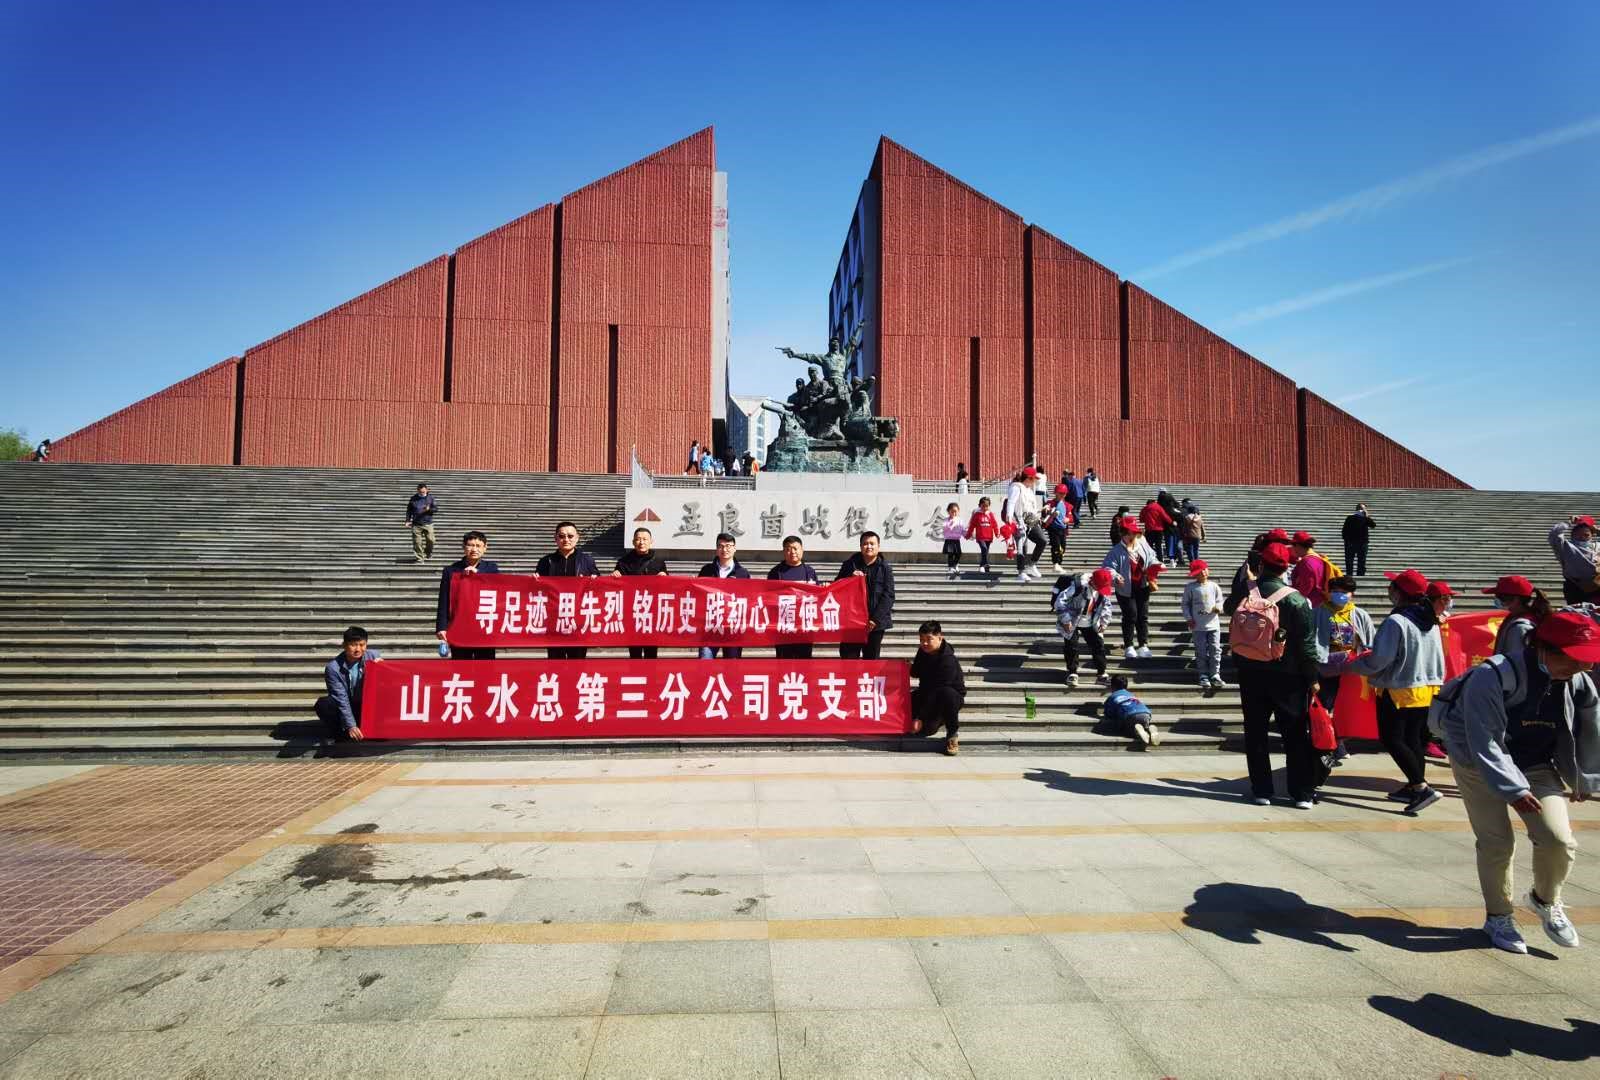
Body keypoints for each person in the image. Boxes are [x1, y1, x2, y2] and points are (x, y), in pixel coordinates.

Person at [1435, 610, 1600, 953]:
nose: (1583, 666)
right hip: (1476, 762)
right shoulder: (1491, 675)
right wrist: (1514, 789)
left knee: (1558, 840)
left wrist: (1584, 777)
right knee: (1496, 843)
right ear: (1543, 647)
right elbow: (1484, 739)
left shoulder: (1577, 680)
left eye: (1586, 660)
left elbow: (1591, 729)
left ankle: (1544, 900)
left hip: (1536, 763)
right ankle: (1498, 916)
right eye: (1574, 658)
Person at [1330, 568, 1446, 814]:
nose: (1389, 590)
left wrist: (1352, 666)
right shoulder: (1430, 618)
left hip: (1398, 688)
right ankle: (1413, 786)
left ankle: (1421, 787)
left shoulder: (1397, 621)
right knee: (1413, 739)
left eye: (1392, 586)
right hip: (1424, 687)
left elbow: (1379, 660)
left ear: (1399, 592)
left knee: (1392, 739)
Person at [1230, 541, 1321, 808]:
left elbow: (1227, 608)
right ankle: (1301, 793)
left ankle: (1261, 790)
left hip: (1250, 672)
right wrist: (1313, 678)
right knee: (1295, 734)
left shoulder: (1246, 591)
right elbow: (1306, 645)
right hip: (1288, 676)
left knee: (1255, 732)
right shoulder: (1296, 599)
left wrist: (1246, 582)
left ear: (1261, 565)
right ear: (1286, 567)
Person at [1314, 575, 1377, 766]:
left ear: (1352, 594)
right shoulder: (1317, 613)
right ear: (1329, 593)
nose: (1339, 595)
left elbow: (1370, 641)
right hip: (1326, 669)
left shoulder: (1360, 614)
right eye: (1335, 592)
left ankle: (1339, 742)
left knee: (1346, 710)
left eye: (1344, 592)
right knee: (1326, 708)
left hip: (1352, 671)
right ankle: (1328, 745)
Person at [536, 521, 600, 659]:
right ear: (555, 538)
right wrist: (534, 581)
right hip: (554, 621)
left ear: (577, 538)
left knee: (577, 662)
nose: (566, 539)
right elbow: (537, 590)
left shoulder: (587, 561)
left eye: (570, 536)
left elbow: (599, 587)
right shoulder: (546, 561)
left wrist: (594, 580)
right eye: (562, 536)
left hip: (578, 621)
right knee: (555, 662)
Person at [1103, 515, 1161, 659]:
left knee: (1143, 616)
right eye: (1128, 533)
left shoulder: (1143, 545)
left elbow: (1153, 557)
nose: (1132, 536)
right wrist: (1116, 576)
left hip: (1143, 586)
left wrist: (1155, 566)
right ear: (1122, 534)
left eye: (1134, 533)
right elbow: (1108, 568)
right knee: (1130, 615)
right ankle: (1129, 645)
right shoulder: (1116, 551)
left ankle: (1143, 645)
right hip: (1125, 589)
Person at [436, 531, 500, 660]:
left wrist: (478, 574)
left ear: (485, 548)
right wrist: (441, 627)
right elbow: (444, 600)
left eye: (478, 546)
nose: (474, 549)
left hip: (484, 627)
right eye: (470, 545)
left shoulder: (492, 569)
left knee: (486, 666)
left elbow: (500, 589)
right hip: (460, 626)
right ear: (464, 547)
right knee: (460, 665)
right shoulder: (451, 571)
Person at [1054, 567, 1116, 689]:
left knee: (1098, 645)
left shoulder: (1102, 589)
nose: (1101, 590)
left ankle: (1102, 674)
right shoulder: (1078, 586)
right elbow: (1060, 602)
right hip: (1072, 620)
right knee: (1071, 646)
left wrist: (1104, 622)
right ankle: (1072, 673)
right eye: (1099, 587)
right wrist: (1066, 620)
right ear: (1093, 582)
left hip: (1091, 621)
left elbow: (1107, 606)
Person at [315, 625, 380, 742]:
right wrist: (351, 725)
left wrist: (382, 669)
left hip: (366, 705)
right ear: (344, 645)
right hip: (348, 704)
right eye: (353, 645)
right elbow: (341, 698)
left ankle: (375, 729)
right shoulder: (333, 668)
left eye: (362, 645)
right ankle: (341, 734)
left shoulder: (373, 657)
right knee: (324, 704)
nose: (358, 649)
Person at [911, 620, 966, 756]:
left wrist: (920, 717)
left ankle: (952, 735)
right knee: (907, 699)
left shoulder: (948, 660)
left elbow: (937, 689)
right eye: (921, 640)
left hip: (948, 698)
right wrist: (906, 668)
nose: (924, 643)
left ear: (940, 637)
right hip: (926, 692)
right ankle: (929, 723)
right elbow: (915, 672)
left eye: (928, 639)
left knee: (946, 693)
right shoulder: (923, 651)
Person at [837, 531, 895, 660]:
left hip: (875, 624)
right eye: (865, 544)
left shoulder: (885, 568)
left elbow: (889, 595)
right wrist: (849, 578)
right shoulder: (849, 565)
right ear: (860, 546)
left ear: (878, 546)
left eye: (872, 544)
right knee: (848, 659)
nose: (868, 546)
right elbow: (837, 586)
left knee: (871, 660)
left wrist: (875, 619)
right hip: (852, 622)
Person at [614, 526, 669, 659]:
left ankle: (651, 672)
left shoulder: (658, 561)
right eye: (638, 539)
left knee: (651, 652)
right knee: (635, 652)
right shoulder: (623, 562)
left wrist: (665, 576)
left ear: (651, 542)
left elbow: (666, 587)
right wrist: (615, 575)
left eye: (645, 539)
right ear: (633, 542)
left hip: (652, 613)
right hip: (632, 613)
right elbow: (617, 587)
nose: (641, 542)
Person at [696, 532, 750, 659]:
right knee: (705, 660)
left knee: (732, 664)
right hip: (710, 625)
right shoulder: (706, 570)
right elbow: (698, 594)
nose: (724, 549)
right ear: (716, 549)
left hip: (732, 626)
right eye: (721, 546)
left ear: (734, 548)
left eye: (728, 546)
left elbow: (748, 599)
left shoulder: (742, 573)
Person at [769, 535, 820, 659]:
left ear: (802, 550)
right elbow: (769, 597)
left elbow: (817, 596)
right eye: (788, 549)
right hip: (783, 625)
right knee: (783, 662)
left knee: (804, 662)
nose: (792, 552)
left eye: (795, 548)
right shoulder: (776, 572)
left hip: (804, 625)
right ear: (783, 551)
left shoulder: (809, 572)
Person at [1482, 575, 1552, 658]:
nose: (1497, 600)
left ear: (1516, 600)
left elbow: (1516, 660)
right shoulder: (1518, 616)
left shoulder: (1520, 627)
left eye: (1500, 597)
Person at [1183, 560, 1225, 694]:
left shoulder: (1214, 586)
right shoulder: (1190, 588)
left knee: (1215, 649)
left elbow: (1220, 600)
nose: (1203, 573)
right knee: (1200, 650)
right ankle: (1203, 673)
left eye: (1205, 570)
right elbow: (1185, 604)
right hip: (1198, 626)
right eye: (1199, 571)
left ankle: (1215, 673)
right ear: (1195, 574)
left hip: (1213, 624)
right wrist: (1189, 618)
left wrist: (1218, 607)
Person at [1006, 468, 1046, 584]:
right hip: (1019, 519)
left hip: (1030, 519)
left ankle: (1032, 564)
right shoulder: (1016, 487)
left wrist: (1039, 513)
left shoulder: (1030, 490)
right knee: (1022, 545)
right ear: (1029, 478)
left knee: (1042, 540)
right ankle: (1021, 572)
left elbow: (1031, 508)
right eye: (1034, 479)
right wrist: (1009, 517)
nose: (1035, 481)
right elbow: (1011, 502)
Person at [1549, 516, 1600, 605]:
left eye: (1586, 535)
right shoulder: (1565, 547)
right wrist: (1568, 523)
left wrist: (1597, 530)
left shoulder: (1597, 546)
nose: (1582, 537)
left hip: (1597, 586)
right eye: (1578, 534)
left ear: (1592, 535)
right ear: (1572, 535)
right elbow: (1554, 534)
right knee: (1577, 612)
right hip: (1575, 588)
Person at [1103, 675, 1160, 748]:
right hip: (1146, 713)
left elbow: (1109, 713)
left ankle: (1136, 732)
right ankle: (1148, 730)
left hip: (1130, 715)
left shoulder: (1112, 697)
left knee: (1127, 731)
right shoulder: (1130, 694)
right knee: (1142, 725)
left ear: (1112, 686)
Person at [1289, 531, 1335, 609]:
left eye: (1293, 545)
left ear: (1298, 545)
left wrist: (1295, 602)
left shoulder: (1306, 562)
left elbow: (1307, 586)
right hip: (1319, 601)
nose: (1292, 548)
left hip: (1309, 603)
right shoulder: (1318, 558)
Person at [405, 483, 438, 564]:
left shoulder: (431, 498)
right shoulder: (413, 498)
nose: (422, 493)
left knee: (431, 540)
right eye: (420, 492)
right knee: (417, 542)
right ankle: (419, 558)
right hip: (416, 524)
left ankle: (428, 553)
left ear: (427, 490)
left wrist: (429, 509)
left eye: (423, 492)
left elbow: (436, 509)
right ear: (418, 491)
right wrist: (407, 520)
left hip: (428, 523)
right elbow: (409, 510)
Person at [966, 497, 1000, 576]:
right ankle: (982, 565)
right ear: (979, 505)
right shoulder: (977, 515)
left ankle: (985, 566)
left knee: (986, 552)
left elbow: (994, 524)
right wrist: (968, 534)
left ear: (989, 506)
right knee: (984, 549)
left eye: (987, 506)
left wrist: (996, 533)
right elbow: (972, 526)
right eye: (983, 506)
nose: (985, 508)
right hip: (980, 537)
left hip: (989, 537)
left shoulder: (990, 514)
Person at [1341, 504, 1377, 577]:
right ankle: (1350, 575)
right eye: (1363, 509)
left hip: (1362, 543)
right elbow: (1344, 531)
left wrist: (1367, 517)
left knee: (1361, 561)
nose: (1364, 510)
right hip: (1352, 543)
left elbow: (1373, 525)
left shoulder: (1365, 519)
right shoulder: (1350, 518)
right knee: (1350, 561)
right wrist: (1347, 541)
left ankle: (1359, 575)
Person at [1044, 485, 1072, 574]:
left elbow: (1071, 517)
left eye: (1064, 493)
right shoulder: (1050, 503)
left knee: (1063, 547)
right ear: (1056, 493)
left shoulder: (1067, 505)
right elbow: (1045, 511)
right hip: (1053, 528)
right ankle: (1055, 563)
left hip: (1063, 529)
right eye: (1060, 493)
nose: (1062, 495)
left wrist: (1068, 519)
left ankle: (1059, 564)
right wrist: (1048, 511)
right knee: (1056, 545)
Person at [940, 502, 966, 579]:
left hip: (956, 540)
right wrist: (950, 525)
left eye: (955, 511)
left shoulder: (960, 520)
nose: (954, 513)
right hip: (949, 540)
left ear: (958, 511)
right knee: (950, 554)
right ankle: (951, 567)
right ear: (948, 511)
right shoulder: (946, 520)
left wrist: (967, 535)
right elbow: (944, 528)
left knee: (958, 553)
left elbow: (963, 530)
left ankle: (955, 564)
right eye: (952, 511)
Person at [1156, 489, 1182, 565]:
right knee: (1174, 543)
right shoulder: (1175, 510)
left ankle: (1172, 558)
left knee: (1169, 543)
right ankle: (1175, 558)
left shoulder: (1161, 509)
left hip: (1166, 528)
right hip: (1174, 529)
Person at [1178, 499, 1206, 566]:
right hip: (1197, 536)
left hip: (1189, 535)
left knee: (1190, 549)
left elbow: (1184, 527)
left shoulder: (1187, 517)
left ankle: (1192, 562)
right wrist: (1203, 536)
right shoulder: (1199, 517)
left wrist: (1183, 534)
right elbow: (1202, 527)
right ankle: (1197, 561)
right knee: (1196, 549)